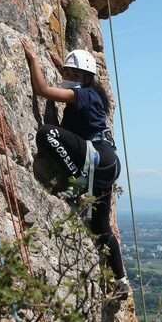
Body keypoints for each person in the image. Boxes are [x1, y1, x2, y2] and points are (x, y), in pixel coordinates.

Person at [21, 38, 130, 299]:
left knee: (47, 134)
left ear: (84, 77)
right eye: (66, 72)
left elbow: (42, 90)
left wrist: (34, 58)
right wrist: (61, 62)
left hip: (96, 160)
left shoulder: (83, 94)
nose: (66, 76)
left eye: (72, 73)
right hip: (106, 165)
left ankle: (76, 180)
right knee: (100, 225)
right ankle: (121, 280)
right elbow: (70, 75)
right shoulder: (92, 93)